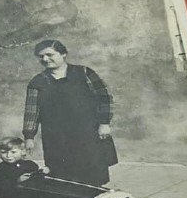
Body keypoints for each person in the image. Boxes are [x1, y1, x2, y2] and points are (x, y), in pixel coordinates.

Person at [22, 39, 116, 186]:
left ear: (63, 54)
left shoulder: (84, 73)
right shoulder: (37, 82)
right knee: (63, 177)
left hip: (87, 133)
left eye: (49, 54)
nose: (45, 59)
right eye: (41, 56)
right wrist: (29, 136)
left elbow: (104, 97)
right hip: (57, 138)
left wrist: (104, 122)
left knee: (93, 175)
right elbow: (32, 111)